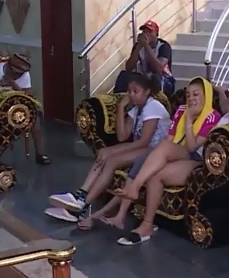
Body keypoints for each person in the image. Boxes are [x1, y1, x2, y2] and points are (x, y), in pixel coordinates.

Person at [46, 73, 171, 229]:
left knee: (111, 160)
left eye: (135, 91)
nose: (131, 95)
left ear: (147, 92)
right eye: (129, 91)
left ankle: (83, 205)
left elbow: (144, 141)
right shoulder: (136, 109)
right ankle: (81, 194)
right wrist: (121, 108)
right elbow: (122, 136)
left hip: (155, 151)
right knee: (103, 153)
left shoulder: (153, 107)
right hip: (143, 147)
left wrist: (114, 151)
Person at [114, 76, 222, 245]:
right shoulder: (181, 110)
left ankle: (134, 188)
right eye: (188, 95)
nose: (191, 99)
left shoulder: (212, 117)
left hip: (197, 159)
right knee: (155, 170)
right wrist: (163, 158)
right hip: (177, 151)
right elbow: (171, 139)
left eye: (196, 95)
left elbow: (192, 147)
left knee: (162, 153)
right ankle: (147, 225)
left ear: (206, 96)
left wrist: (189, 119)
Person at [0, 53, 50, 165]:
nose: (19, 77)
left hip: (18, 105)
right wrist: (0, 85)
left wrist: (13, 83)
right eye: (16, 75)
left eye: (20, 75)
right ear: (9, 69)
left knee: (35, 117)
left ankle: (40, 154)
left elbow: (28, 96)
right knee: (1, 126)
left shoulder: (24, 74)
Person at [117, 20, 175, 95]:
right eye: (144, 31)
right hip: (145, 78)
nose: (146, 34)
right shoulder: (139, 46)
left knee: (156, 78)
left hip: (165, 79)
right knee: (124, 75)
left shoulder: (163, 46)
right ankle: (118, 98)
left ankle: (157, 99)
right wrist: (139, 47)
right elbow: (128, 67)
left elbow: (159, 69)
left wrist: (146, 45)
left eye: (150, 32)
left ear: (156, 34)